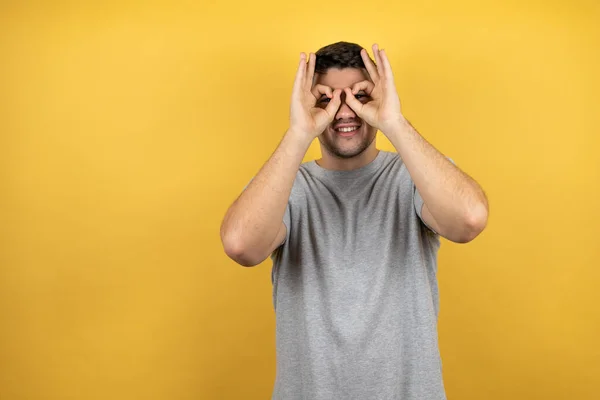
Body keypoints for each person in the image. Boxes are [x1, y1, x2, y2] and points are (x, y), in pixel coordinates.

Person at [220, 41, 489, 400]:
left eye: (359, 96)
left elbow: (469, 220)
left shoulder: (413, 176)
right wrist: (299, 133)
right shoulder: (286, 187)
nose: (344, 111)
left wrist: (393, 121)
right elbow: (240, 245)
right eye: (326, 99)